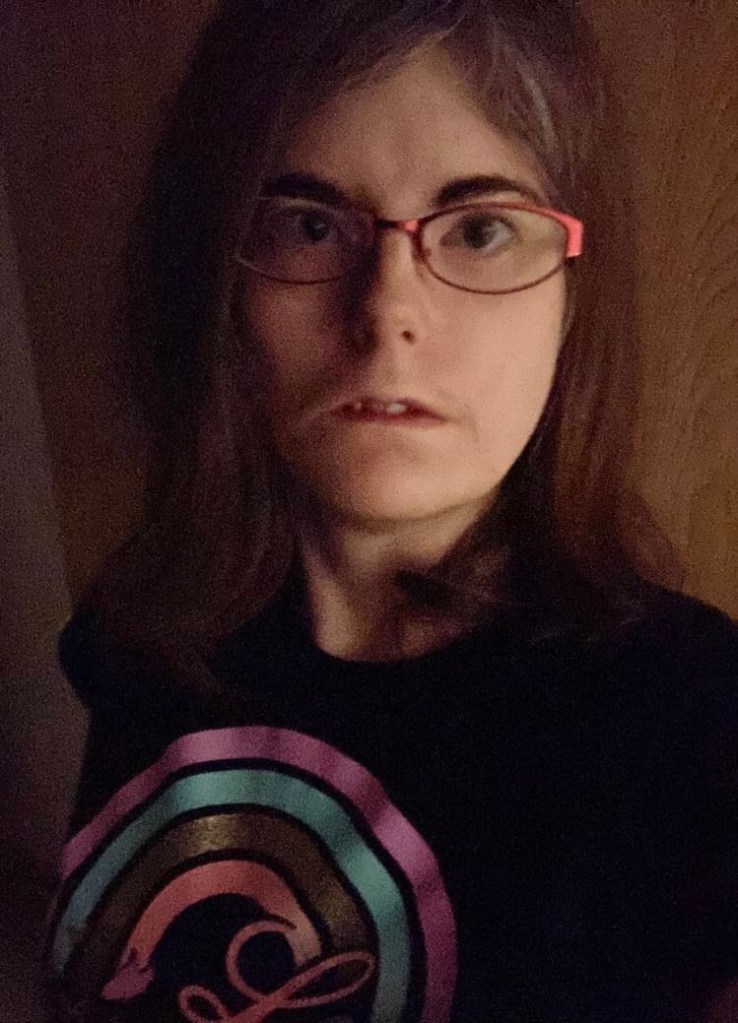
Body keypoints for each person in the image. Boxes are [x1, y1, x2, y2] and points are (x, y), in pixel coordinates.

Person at [43, 1, 738, 1021]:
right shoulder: (143, 634)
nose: (387, 312)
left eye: (482, 228)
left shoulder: (691, 719)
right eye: (310, 224)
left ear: (572, 299)